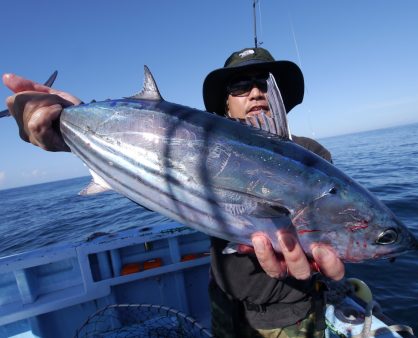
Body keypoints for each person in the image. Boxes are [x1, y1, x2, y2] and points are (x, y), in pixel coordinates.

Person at [3, 47, 344, 337]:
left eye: (265, 85)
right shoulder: (201, 146)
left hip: (289, 310)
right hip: (223, 300)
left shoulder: (313, 158)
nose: (256, 93)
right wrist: (70, 126)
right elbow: (160, 178)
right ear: (225, 105)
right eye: (241, 86)